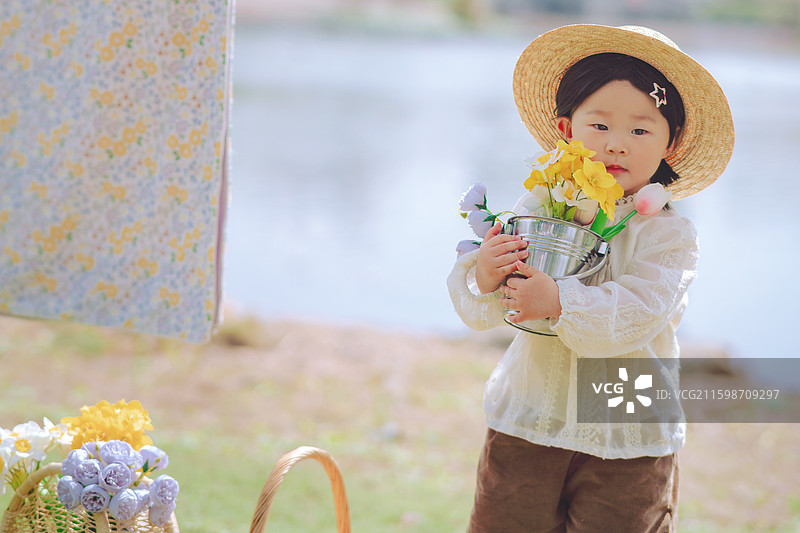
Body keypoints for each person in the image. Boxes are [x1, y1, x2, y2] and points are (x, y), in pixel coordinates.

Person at [447, 25, 734, 532]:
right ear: (566, 129)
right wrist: (488, 276)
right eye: (599, 126)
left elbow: (639, 312)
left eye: (641, 131)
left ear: (672, 143)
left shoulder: (668, 235)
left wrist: (558, 300)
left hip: (625, 433)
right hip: (530, 417)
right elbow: (498, 302)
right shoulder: (541, 206)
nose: (617, 146)